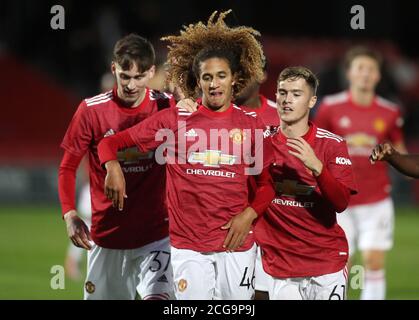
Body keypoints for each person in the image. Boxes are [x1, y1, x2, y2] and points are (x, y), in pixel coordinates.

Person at [97, 10, 275, 300]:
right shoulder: (175, 119)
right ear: (198, 80)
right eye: (207, 77)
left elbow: (268, 185)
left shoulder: (252, 125)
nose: (214, 84)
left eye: (221, 76)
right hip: (189, 246)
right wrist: (112, 167)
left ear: (234, 79)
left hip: (237, 243)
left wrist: (249, 215)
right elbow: (108, 145)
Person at [58, 33, 176, 300]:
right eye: (125, 76)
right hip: (108, 237)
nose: (131, 85)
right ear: (114, 69)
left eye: (139, 77)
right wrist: (70, 214)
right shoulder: (91, 111)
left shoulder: (167, 106)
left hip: (157, 235)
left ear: (151, 72)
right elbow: (67, 167)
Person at [255, 66, 357, 300]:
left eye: (296, 94)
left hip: (326, 263)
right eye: (282, 92)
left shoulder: (332, 144)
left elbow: (341, 202)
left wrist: (317, 167)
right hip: (282, 267)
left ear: (312, 101)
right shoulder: (260, 143)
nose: (287, 100)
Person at [314, 46, 407, 300]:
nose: (365, 74)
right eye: (360, 68)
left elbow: (401, 154)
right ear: (349, 73)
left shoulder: (390, 111)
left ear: (378, 76)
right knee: (341, 262)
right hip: (339, 199)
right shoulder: (330, 107)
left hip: (376, 198)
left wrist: (393, 155)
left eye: (371, 70)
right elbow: (316, 145)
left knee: (374, 261)